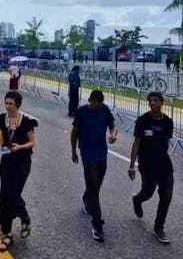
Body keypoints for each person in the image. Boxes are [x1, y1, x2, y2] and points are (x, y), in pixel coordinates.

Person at [70, 90, 118, 241]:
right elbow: (74, 132)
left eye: (98, 103)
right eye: (93, 103)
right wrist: (73, 151)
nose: (95, 106)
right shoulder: (82, 112)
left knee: (96, 185)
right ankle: (97, 224)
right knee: (93, 184)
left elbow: (112, 126)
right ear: (89, 100)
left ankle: (86, 198)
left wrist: (113, 134)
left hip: (101, 152)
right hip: (87, 152)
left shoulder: (104, 110)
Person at [0, 90, 38, 252]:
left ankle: (25, 217)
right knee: (3, 198)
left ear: (17, 105)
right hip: (6, 161)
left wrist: (20, 147)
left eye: (11, 104)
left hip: (22, 162)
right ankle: (7, 234)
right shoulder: (1, 119)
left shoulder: (26, 122)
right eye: (6, 103)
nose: (7, 106)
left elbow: (32, 143)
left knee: (13, 194)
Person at [129, 92, 174, 244]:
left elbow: (166, 142)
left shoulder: (167, 122)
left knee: (166, 195)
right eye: (150, 101)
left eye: (156, 101)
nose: (153, 103)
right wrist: (132, 166)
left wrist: (161, 156)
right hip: (147, 164)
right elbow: (136, 143)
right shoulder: (143, 120)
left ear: (162, 103)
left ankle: (159, 226)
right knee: (148, 192)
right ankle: (137, 199)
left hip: (164, 164)